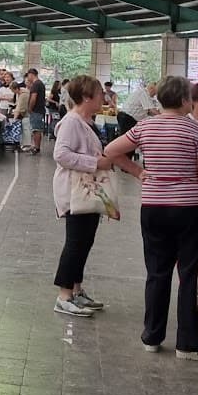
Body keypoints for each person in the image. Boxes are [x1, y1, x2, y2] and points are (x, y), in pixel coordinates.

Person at [100, 74, 198, 359]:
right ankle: (187, 343)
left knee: (157, 273)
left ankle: (152, 336)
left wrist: (139, 172)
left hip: (154, 208)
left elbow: (111, 150)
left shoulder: (145, 127)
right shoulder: (196, 131)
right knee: (189, 274)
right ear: (185, 101)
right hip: (190, 211)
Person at [52, 75, 140, 317]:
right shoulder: (71, 122)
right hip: (75, 192)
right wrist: (95, 162)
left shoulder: (87, 121)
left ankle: (76, 290)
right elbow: (61, 155)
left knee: (84, 242)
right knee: (75, 243)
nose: (104, 97)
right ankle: (64, 295)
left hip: (89, 192)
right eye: (100, 93)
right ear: (86, 97)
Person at [24, 66, 47, 155]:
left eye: (28, 76)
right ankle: (35, 146)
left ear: (31, 75)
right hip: (39, 110)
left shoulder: (36, 84)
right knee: (36, 129)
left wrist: (30, 108)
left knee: (36, 129)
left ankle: (36, 147)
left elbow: (33, 98)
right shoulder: (40, 83)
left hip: (36, 110)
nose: (28, 78)